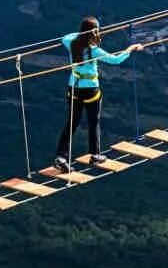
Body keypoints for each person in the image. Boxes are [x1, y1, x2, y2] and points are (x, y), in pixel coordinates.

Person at [54, 17, 143, 171]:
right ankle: (95, 154)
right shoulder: (94, 50)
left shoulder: (71, 42)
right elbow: (116, 60)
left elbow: (65, 37)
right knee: (93, 122)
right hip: (91, 89)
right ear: (93, 32)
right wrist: (131, 49)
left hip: (73, 86)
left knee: (72, 123)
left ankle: (61, 156)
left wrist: (84, 33)